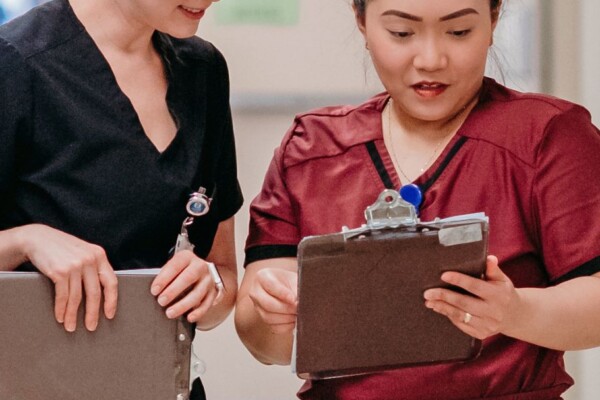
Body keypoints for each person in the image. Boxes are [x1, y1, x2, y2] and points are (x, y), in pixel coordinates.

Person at [235, 0, 600, 398]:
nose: (431, 59)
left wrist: (514, 312)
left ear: (493, 20)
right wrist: (278, 315)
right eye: (401, 33)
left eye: (459, 32)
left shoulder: (548, 137)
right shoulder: (310, 150)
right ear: (362, 22)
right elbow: (262, 342)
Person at [0, 0, 242, 398]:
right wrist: (26, 239)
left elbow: (224, 276)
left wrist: (208, 287)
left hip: (166, 385)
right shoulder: (16, 64)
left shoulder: (204, 70)